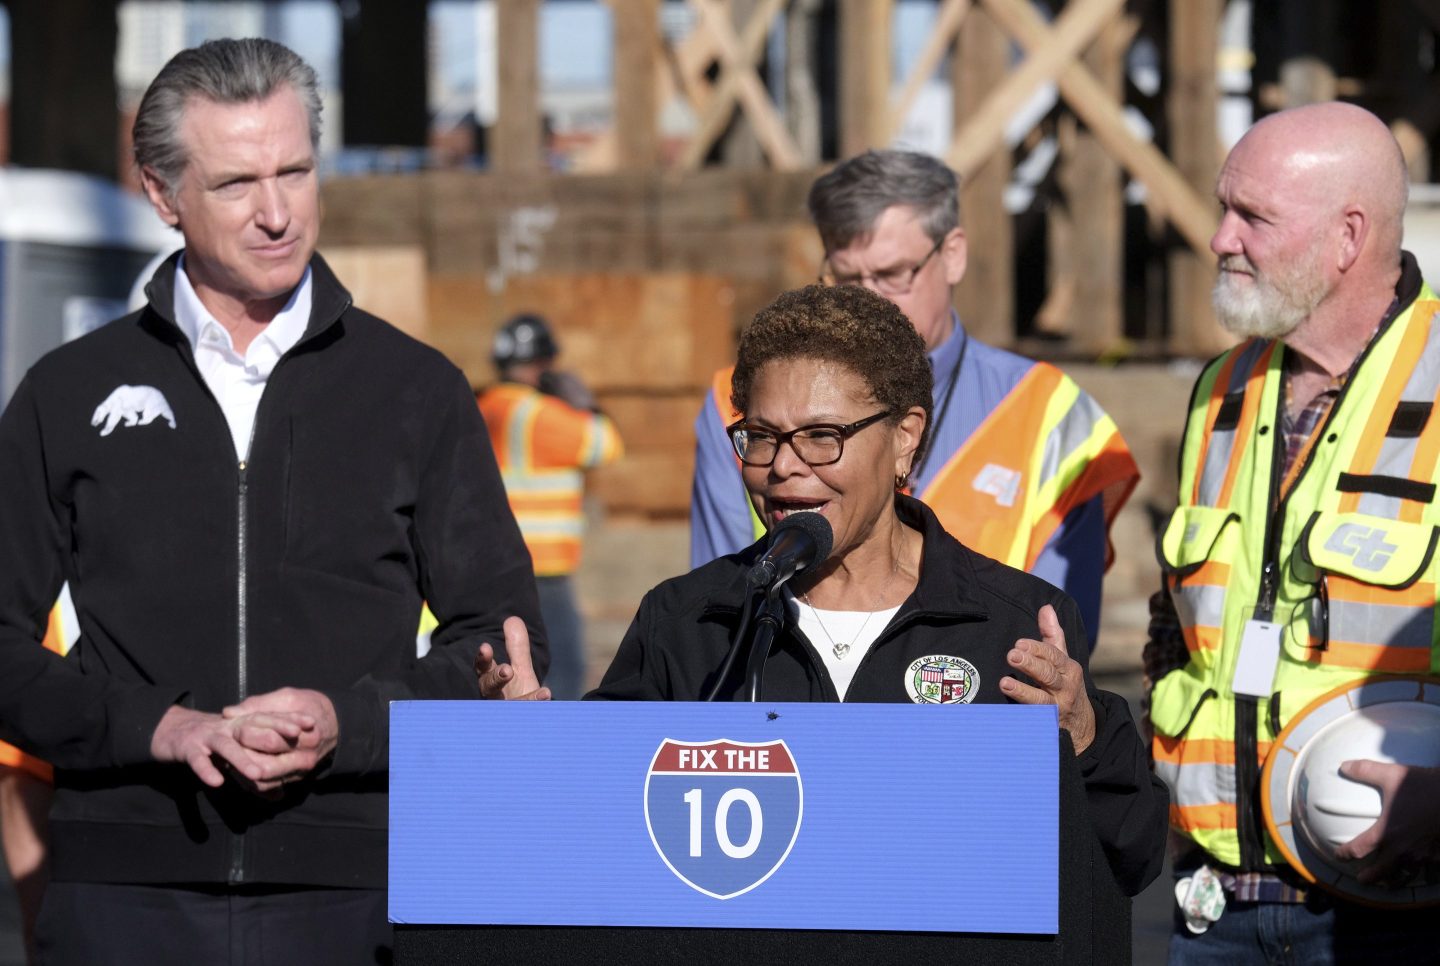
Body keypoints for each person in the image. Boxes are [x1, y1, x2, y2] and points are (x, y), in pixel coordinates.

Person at [0, 38, 546, 965]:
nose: (277, 212)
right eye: (236, 183)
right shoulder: (66, 394)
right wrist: (160, 729)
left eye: (294, 171)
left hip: (360, 892)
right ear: (162, 194)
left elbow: (497, 642)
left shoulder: (416, 390)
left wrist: (350, 723)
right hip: (124, 896)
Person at [594, 285, 1167, 910]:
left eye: (821, 436)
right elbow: (605, 836)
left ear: (904, 438)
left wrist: (1083, 739)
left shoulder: (1015, 626)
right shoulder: (687, 620)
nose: (783, 466)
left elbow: (1127, 856)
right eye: (761, 436)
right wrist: (530, 752)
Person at [1145, 101, 1440, 962]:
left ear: (1347, 239)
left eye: (1253, 216)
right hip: (1218, 905)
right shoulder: (1219, 393)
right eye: (1222, 207)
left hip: (1399, 909)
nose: (1219, 239)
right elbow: (1179, 626)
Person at [690, 149, 1139, 644]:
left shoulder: (1054, 417)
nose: (868, 301)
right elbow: (720, 615)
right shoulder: (738, 402)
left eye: (892, 275)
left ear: (953, 255)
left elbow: (1057, 645)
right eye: (845, 278)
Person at [477, 313, 623, 699]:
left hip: (493, 564)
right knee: (564, 671)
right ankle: (555, 753)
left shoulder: (484, 406)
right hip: (543, 570)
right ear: (543, 364)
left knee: (507, 668)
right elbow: (605, 445)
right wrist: (585, 405)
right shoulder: (539, 414)